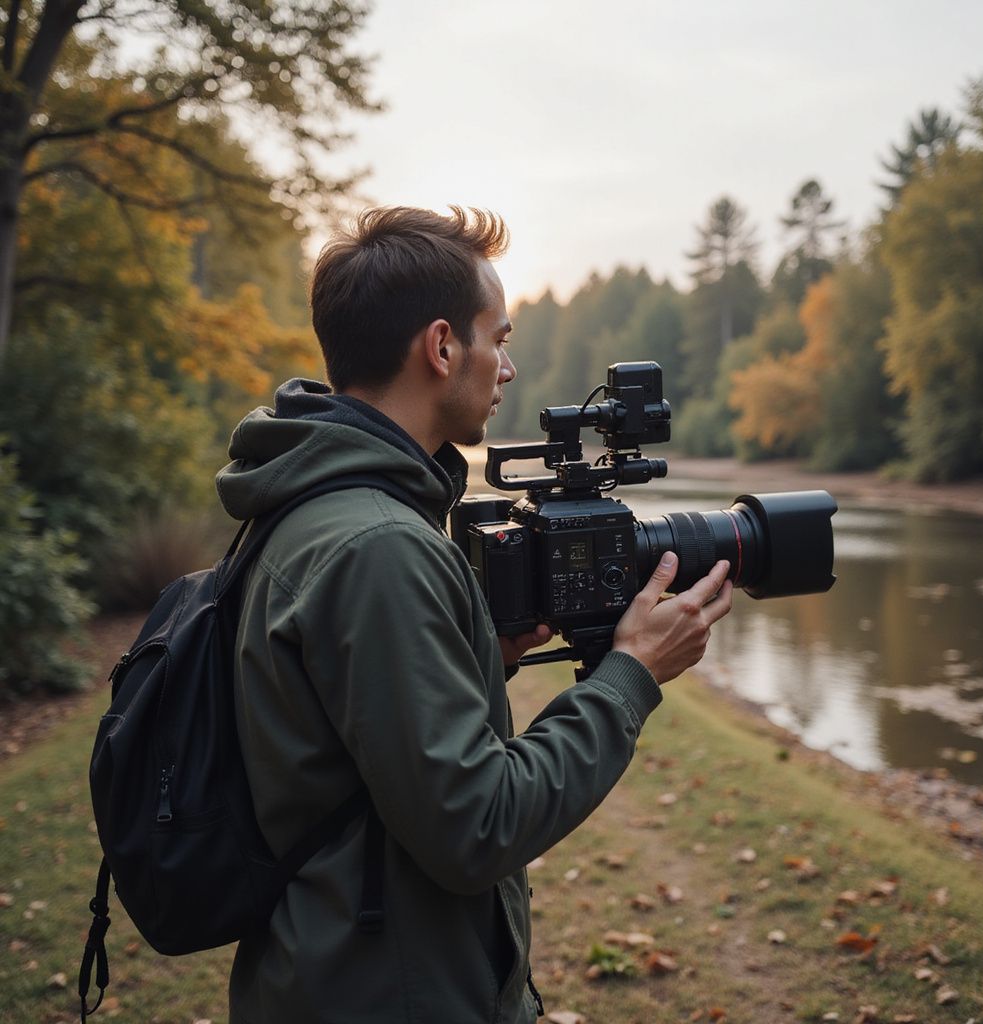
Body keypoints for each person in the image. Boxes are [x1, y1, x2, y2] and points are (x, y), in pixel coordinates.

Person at [216, 206, 733, 1023]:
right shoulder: (378, 545)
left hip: (338, 968)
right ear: (442, 346)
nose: (508, 366)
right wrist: (632, 676)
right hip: (391, 994)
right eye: (500, 337)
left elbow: (333, 730)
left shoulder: (310, 501)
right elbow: (477, 826)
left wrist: (476, 655)